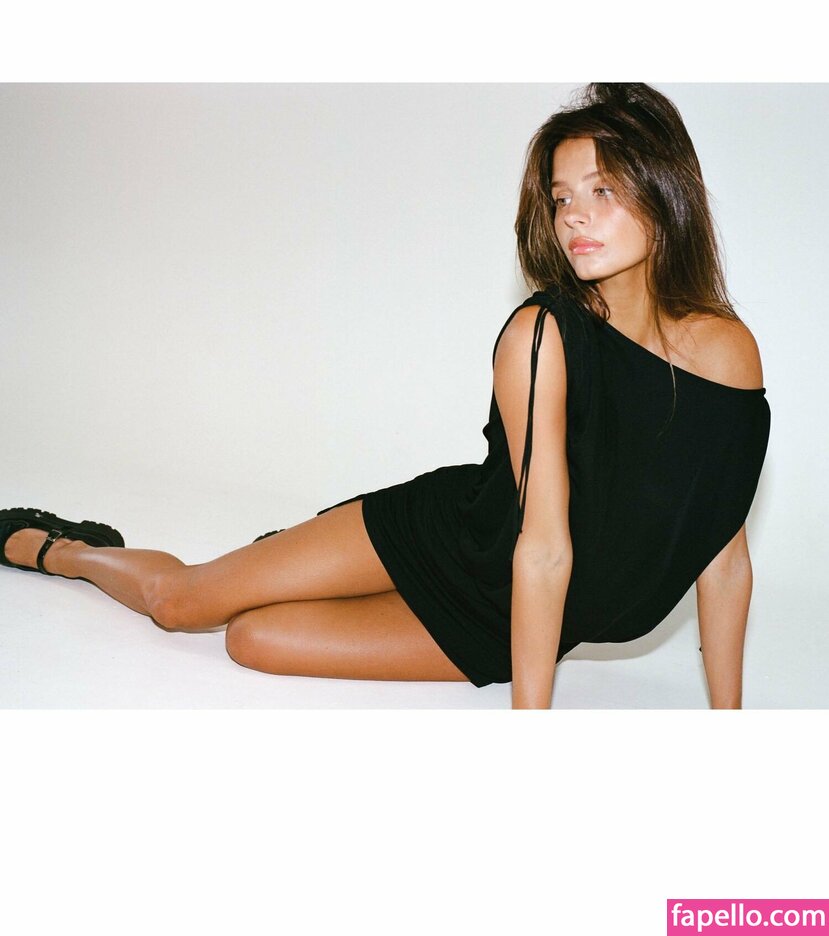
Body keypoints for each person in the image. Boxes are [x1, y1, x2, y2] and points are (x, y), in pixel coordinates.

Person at [0, 83, 771, 710]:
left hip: (505, 616)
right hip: (449, 536)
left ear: (664, 193)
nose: (574, 215)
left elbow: (723, 552)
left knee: (250, 641)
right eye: (561, 195)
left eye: (601, 190)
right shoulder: (541, 335)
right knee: (180, 605)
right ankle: (68, 549)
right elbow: (541, 543)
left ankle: (274, 558)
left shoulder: (726, 352)